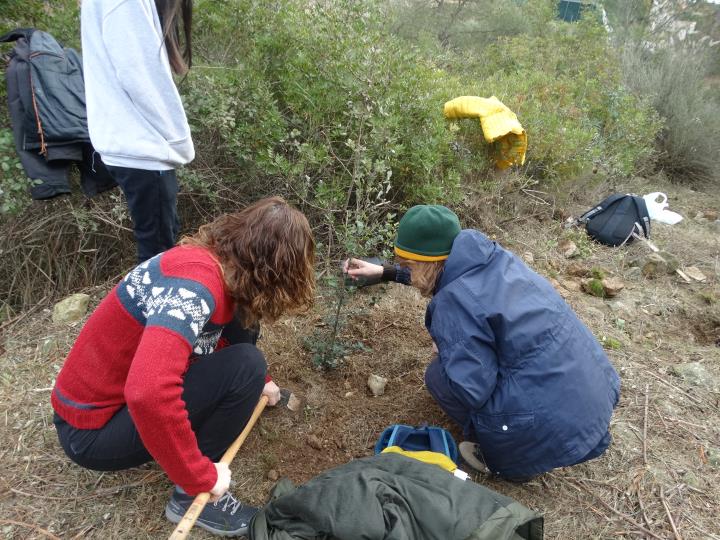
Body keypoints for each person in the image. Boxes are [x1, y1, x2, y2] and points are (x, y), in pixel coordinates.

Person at [51, 197, 316, 536]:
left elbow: (214, 334)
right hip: (90, 431)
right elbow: (147, 392)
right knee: (246, 364)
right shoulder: (193, 288)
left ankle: (247, 386)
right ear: (274, 271)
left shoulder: (216, 268)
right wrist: (200, 476)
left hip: (100, 410)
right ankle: (188, 495)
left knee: (245, 326)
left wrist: (259, 383)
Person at [345, 205, 620, 481]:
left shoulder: (454, 302)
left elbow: (473, 389)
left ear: (427, 263)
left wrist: (449, 350)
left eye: (407, 266)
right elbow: (439, 274)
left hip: (550, 431)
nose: (405, 272)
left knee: (438, 376)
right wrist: (385, 271)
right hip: (595, 396)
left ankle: (506, 455)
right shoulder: (493, 259)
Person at [81, 0, 195, 262]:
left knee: (156, 244)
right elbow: (142, 76)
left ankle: (148, 298)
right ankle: (151, 303)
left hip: (125, 140)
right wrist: (179, 142)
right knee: (157, 256)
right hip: (142, 147)